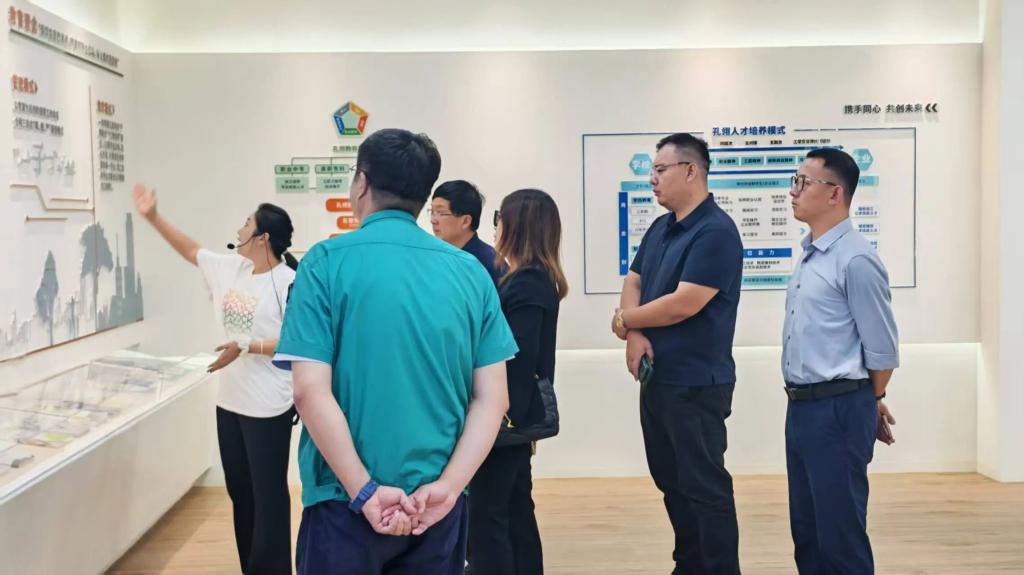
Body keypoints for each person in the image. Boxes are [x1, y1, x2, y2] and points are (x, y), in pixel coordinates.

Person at [273, 128, 519, 575]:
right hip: (435, 506)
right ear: (424, 196)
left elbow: (309, 391)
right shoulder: (469, 272)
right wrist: (449, 487)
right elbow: (493, 399)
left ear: (361, 183)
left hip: (341, 501)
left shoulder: (325, 262)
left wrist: (365, 491)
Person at [132, 185, 298, 575]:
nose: (240, 227)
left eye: (247, 222)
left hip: (268, 406)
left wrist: (247, 346)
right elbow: (191, 250)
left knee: (269, 498)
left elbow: (296, 341)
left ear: (263, 238)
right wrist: (153, 217)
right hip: (230, 402)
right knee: (241, 492)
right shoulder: (232, 268)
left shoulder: (289, 281)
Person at [611, 133, 744, 574]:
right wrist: (634, 331)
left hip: (696, 383)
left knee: (704, 488)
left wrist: (625, 320)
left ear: (690, 171)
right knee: (672, 483)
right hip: (659, 379)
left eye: (659, 170)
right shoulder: (661, 227)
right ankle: (689, 565)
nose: (651, 179)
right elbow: (634, 279)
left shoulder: (716, 232)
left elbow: (684, 303)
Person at [782, 148, 899, 574]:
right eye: (794, 181)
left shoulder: (856, 258)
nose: (793, 191)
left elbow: (882, 350)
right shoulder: (811, 253)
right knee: (808, 532)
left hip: (836, 409)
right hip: (802, 407)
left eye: (803, 182)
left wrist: (869, 398)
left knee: (839, 536)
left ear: (835, 193)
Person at [467, 189, 567, 575]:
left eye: (500, 218)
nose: (496, 227)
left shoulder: (527, 282)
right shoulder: (532, 278)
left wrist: (492, 415)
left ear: (518, 226)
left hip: (506, 418)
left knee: (489, 517)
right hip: (513, 417)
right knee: (514, 511)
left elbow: (517, 360)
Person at [430, 179, 502, 283]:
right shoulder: (434, 255)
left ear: (465, 221)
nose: (433, 220)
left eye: (441, 212)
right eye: (432, 212)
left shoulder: (491, 264)